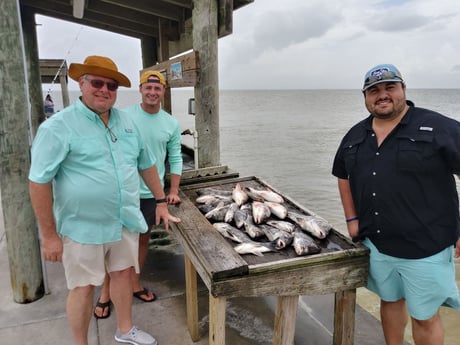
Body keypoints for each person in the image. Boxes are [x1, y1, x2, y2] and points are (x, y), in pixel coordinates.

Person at [29, 55, 180, 345]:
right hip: (82, 227)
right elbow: (38, 181)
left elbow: (146, 163)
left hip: (123, 219)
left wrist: (160, 200)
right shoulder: (57, 127)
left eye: (111, 85)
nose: (104, 90)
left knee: (123, 274)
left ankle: (125, 330)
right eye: (96, 82)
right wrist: (48, 236)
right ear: (81, 84)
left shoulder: (126, 120)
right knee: (83, 288)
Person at [332, 63, 460, 345]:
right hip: (377, 244)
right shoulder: (355, 135)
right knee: (390, 301)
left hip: (426, 245)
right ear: (365, 97)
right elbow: (343, 175)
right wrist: (352, 221)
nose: (382, 95)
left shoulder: (439, 127)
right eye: (374, 90)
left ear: (403, 89)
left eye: (390, 87)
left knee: (424, 315)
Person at [93, 70, 183, 318]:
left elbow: (174, 158)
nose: (153, 93)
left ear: (163, 92)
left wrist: (172, 190)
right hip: (123, 192)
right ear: (141, 90)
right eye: (148, 88)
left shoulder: (171, 123)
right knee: (115, 243)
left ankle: (134, 283)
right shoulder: (123, 117)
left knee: (143, 240)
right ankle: (105, 293)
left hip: (151, 194)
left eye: (158, 89)